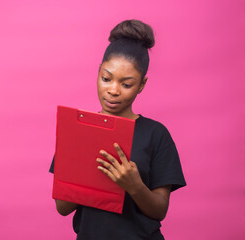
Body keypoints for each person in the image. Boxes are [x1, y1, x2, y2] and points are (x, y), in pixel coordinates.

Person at [49, 19, 186, 240]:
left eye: (126, 84)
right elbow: (62, 207)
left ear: (141, 85)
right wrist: (87, 169)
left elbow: (160, 211)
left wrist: (134, 185)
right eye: (106, 78)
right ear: (98, 73)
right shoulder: (77, 129)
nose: (113, 90)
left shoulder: (156, 134)